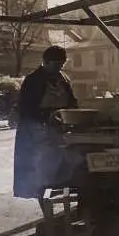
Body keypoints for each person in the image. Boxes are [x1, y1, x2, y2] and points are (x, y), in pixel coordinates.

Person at [13, 46, 81, 222]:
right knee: (42, 176)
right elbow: (25, 109)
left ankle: (68, 211)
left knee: (67, 172)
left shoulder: (64, 78)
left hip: (61, 131)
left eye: (62, 65)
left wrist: (74, 115)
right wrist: (47, 117)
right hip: (36, 134)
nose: (59, 68)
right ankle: (48, 216)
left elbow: (73, 102)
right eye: (56, 64)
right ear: (46, 62)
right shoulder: (33, 80)